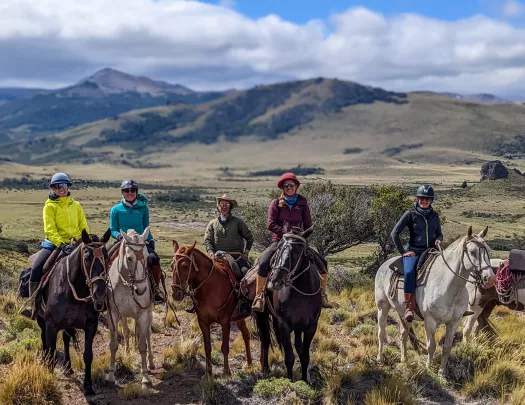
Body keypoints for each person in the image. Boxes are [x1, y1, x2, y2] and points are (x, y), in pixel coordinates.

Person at [252, 172, 333, 312]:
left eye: (292, 185)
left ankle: (322, 295)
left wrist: (301, 236)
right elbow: (270, 224)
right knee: (264, 262)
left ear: (296, 186)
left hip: (298, 242)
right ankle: (259, 296)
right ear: (282, 188)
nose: (289, 187)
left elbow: (308, 224)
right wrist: (285, 234)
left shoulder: (302, 202)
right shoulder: (276, 203)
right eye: (286, 185)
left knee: (322, 263)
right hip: (279, 241)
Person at [26, 172, 90, 319]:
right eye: (58, 186)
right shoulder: (49, 206)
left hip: (76, 244)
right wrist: (61, 244)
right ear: (53, 188)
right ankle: (33, 305)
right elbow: (50, 229)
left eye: (64, 185)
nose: (62, 189)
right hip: (54, 244)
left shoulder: (76, 205)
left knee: (95, 265)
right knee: (36, 268)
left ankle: (98, 302)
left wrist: (84, 240)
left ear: (68, 186)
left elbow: (83, 226)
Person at [185, 194, 254, 313]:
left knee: (244, 273)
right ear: (218, 207)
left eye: (226, 204)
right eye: (222, 204)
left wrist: (246, 253)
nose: (224, 207)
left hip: (236, 257)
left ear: (230, 207)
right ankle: (196, 302)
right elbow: (208, 241)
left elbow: (249, 238)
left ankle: (245, 303)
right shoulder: (212, 223)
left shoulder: (238, 222)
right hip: (217, 257)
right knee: (199, 274)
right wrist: (211, 253)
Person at [391, 184, 443, 322]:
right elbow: (395, 233)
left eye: (427, 199)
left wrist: (438, 240)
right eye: (421, 198)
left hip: (431, 251)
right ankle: (409, 307)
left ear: (431, 200)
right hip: (414, 251)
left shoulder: (435, 215)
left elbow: (439, 234)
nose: (424, 201)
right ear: (417, 198)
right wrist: (403, 252)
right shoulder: (410, 214)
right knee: (409, 272)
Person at [109, 180, 164, 304]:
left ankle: (155, 291)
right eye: (126, 191)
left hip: (139, 242)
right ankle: (104, 291)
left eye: (132, 190)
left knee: (154, 259)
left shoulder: (143, 209)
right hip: (122, 241)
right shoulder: (115, 209)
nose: (129, 193)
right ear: (122, 193)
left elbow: (146, 227)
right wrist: (119, 237)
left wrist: (150, 239)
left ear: (136, 192)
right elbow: (113, 229)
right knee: (105, 258)